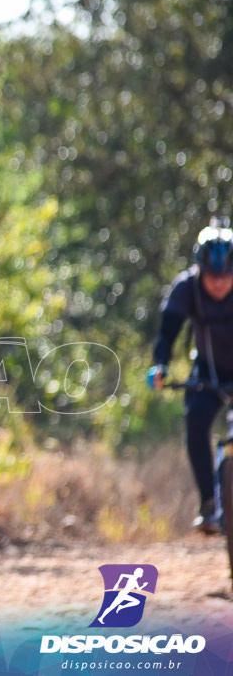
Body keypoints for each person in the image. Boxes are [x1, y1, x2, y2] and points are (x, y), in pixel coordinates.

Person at [148, 220, 233, 534]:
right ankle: (209, 503)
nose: (220, 283)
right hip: (207, 374)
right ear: (199, 270)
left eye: (226, 275)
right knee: (195, 420)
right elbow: (167, 333)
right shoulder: (187, 288)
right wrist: (161, 366)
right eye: (213, 276)